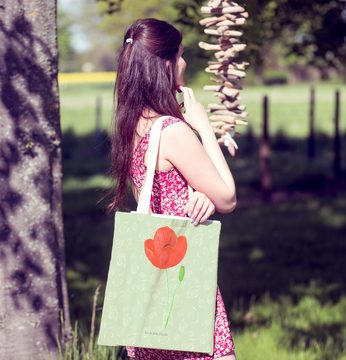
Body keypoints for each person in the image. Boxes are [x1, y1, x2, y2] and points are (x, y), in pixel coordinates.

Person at [106, 18, 237, 360]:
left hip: (149, 291)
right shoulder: (172, 131)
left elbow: (153, 196)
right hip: (184, 283)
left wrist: (197, 195)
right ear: (164, 64)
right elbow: (228, 197)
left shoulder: (132, 125)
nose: (184, 63)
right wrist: (204, 127)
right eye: (180, 55)